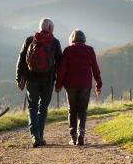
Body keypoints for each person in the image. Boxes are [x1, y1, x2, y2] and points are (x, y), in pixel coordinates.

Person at [16, 18, 62, 147]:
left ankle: (35, 136)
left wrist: (19, 77)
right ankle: (40, 136)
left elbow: (21, 60)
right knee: (43, 108)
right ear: (51, 28)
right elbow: (60, 64)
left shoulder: (30, 40)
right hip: (48, 81)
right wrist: (59, 81)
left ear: (40, 27)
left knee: (32, 107)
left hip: (32, 80)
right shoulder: (55, 42)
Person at [55, 29, 102, 146]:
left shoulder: (68, 50)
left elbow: (62, 70)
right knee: (82, 110)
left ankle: (73, 137)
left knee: (72, 110)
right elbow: (95, 69)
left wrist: (58, 85)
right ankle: (81, 133)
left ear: (72, 39)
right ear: (84, 38)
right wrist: (98, 84)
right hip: (85, 85)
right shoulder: (90, 50)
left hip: (70, 85)